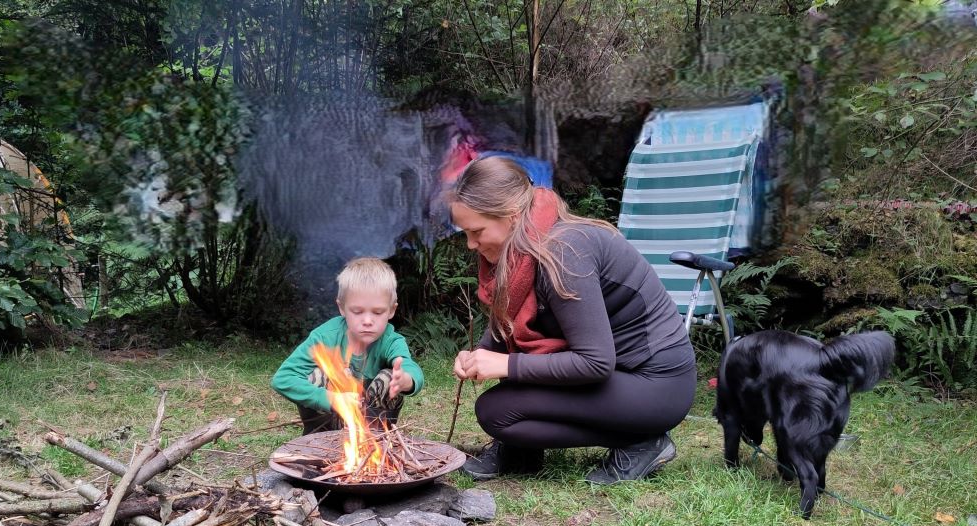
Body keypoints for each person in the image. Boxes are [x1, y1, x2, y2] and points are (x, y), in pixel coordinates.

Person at [448, 156, 697, 484]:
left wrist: (506, 365)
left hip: (654, 385)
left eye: (476, 231)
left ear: (510, 217)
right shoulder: (523, 251)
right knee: (499, 408)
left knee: (497, 410)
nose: (471, 244)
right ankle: (523, 449)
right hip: (619, 379)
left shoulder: (565, 252)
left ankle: (640, 441)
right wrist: (480, 353)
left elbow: (595, 362)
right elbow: (513, 319)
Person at [271, 257, 424, 434]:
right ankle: (319, 442)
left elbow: (410, 367)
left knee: (390, 377)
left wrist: (406, 380)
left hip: (370, 425)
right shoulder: (325, 337)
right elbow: (282, 379)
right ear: (342, 308)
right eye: (357, 312)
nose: (367, 321)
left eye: (377, 312)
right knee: (316, 376)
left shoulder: (391, 340)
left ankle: (376, 442)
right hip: (329, 422)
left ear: (391, 310)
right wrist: (331, 399)